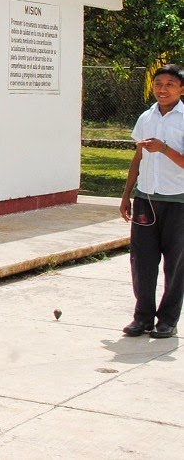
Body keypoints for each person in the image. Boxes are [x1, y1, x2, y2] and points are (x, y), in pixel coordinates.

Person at [119, 63, 184, 339]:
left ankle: (167, 320)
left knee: (176, 264)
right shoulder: (146, 117)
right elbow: (137, 159)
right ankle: (142, 317)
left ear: (181, 89)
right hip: (146, 198)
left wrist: (165, 148)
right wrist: (126, 195)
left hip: (178, 202)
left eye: (170, 84)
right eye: (158, 84)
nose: (162, 89)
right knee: (142, 262)